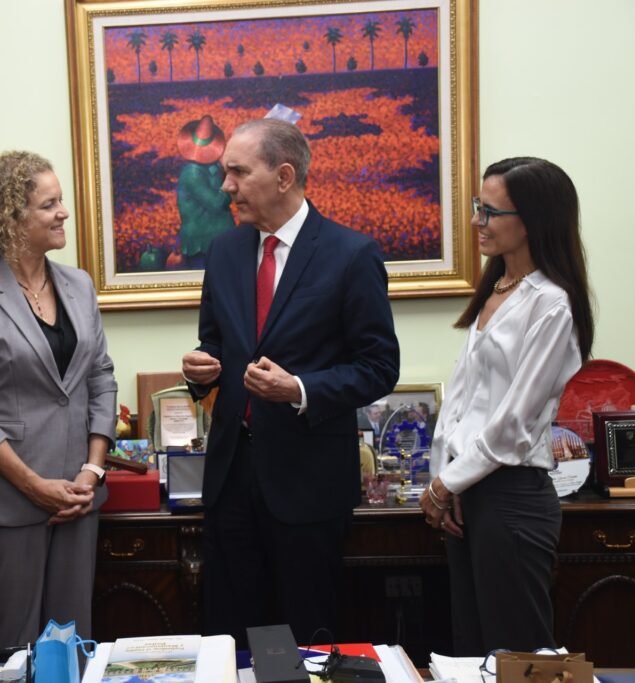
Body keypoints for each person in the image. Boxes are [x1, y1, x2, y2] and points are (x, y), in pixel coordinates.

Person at [181, 118, 400, 643]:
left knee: (305, 642)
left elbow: (378, 366)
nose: (225, 185)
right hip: (231, 479)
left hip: (308, 485)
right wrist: (200, 367)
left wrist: (299, 390)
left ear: (283, 176)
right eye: (225, 172)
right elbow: (215, 342)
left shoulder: (351, 254)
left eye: (237, 172)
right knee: (232, 637)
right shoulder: (227, 251)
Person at [0, 151, 117, 648]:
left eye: (61, 201)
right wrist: (35, 486)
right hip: (8, 500)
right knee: (14, 644)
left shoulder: (78, 284)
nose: (63, 213)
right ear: (11, 218)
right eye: (49, 204)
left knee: (72, 641)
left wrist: (90, 473)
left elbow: (100, 378)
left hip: (78, 498)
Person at [420, 157, 594, 655]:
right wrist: (447, 476)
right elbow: (461, 400)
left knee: (516, 656)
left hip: (511, 497)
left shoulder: (552, 304)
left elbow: (513, 422)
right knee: (472, 651)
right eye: (479, 207)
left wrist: (445, 483)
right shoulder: (497, 288)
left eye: (490, 211)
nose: (478, 222)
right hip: (469, 491)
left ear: (534, 219)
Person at [176, 114, 236, 269]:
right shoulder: (192, 173)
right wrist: (231, 179)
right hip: (202, 244)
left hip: (221, 241)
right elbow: (217, 203)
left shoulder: (213, 166)